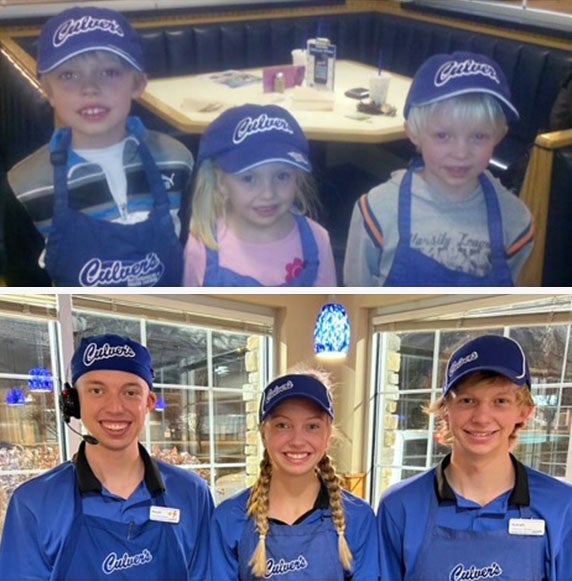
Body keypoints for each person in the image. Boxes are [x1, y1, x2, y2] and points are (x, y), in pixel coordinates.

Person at [2, 6, 193, 286]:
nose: (89, 88)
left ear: (138, 83)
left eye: (109, 72)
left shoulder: (178, 161)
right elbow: (25, 281)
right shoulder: (24, 186)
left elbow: (196, 253)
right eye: (69, 75)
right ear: (48, 90)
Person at [0, 334, 214, 580]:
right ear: (73, 402)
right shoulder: (34, 504)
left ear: (149, 402)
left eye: (130, 392)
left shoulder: (192, 493)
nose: (114, 408)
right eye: (97, 390)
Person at [377, 334, 572, 580]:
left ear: (524, 412)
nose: (481, 417)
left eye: (500, 401)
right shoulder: (400, 506)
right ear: (445, 410)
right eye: (468, 400)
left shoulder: (562, 506)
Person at [344, 51, 534, 286]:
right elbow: (355, 292)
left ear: (499, 135)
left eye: (479, 136)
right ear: (413, 133)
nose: (461, 153)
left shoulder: (516, 221)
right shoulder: (376, 212)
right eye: (443, 135)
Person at [209, 372, 379, 579]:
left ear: (327, 436)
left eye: (312, 426)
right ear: (264, 434)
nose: (297, 440)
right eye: (283, 425)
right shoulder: (229, 518)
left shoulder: (358, 517)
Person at [182, 104, 337, 286]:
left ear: (297, 177)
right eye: (248, 178)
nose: (268, 194)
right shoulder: (202, 245)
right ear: (221, 182)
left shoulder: (319, 240)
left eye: (282, 176)